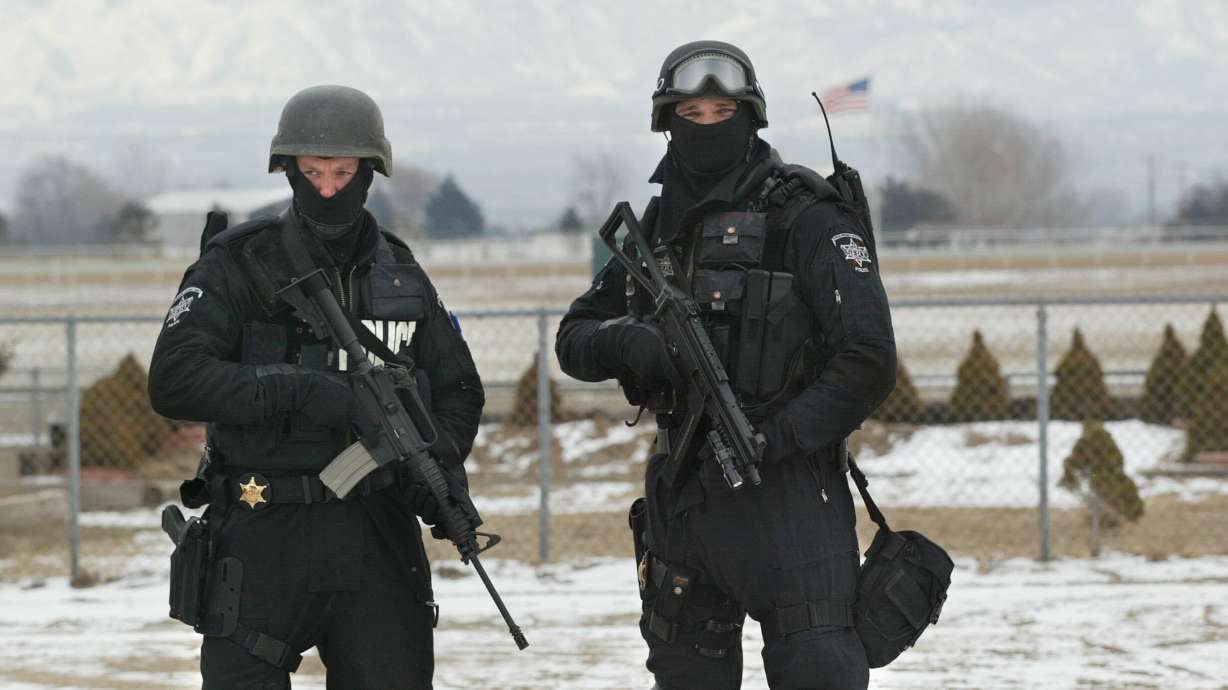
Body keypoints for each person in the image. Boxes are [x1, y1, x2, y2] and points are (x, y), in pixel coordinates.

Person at [555, 41, 897, 690]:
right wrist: (629, 342)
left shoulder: (804, 212)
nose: (707, 124)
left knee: (819, 672)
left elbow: (869, 358)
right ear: (667, 120)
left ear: (750, 116)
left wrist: (782, 436)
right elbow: (574, 337)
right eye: (692, 110)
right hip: (686, 499)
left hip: (791, 496)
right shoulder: (654, 227)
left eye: (722, 110)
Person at [149, 84, 484, 689]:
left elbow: (460, 390)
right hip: (261, 530)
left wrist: (433, 466)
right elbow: (174, 380)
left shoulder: (401, 272)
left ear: (370, 172)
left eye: (342, 172)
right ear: (288, 171)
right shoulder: (237, 265)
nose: (328, 188)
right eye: (311, 172)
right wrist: (299, 389)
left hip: (376, 535)